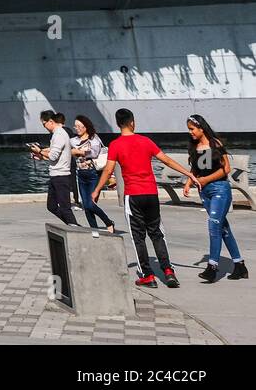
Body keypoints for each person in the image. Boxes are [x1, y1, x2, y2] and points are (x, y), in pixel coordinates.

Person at [92, 108, 195, 288]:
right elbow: (167, 160)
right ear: (132, 122)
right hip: (151, 194)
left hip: (133, 195)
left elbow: (108, 170)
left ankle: (147, 275)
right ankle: (168, 271)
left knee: (138, 236)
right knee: (156, 233)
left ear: (118, 124)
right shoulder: (145, 141)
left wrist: (97, 190)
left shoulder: (115, 145)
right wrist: (189, 174)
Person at [182, 113, 246, 283]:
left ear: (201, 128)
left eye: (192, 129)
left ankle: (212, 267)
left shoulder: (215, 144)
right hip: (205, 192)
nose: (190, 132)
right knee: (223, 229)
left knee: (213, 225)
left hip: (220, 189)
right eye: (189, 129)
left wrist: (205, 180)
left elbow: (226, 169)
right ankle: (240, 265)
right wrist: (189, 182)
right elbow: (196, 169)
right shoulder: (195, 148)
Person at [30, 109, 77, 225]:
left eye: (44, 124)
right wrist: (40, 156)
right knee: (51, 206)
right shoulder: (56, 134)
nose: (44, 127)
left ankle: (76, 228)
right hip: (55, 175)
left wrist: (40, 151)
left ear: (50, 121)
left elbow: (53, 155)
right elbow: (55, 156)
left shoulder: (59, 134)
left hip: (61, 176)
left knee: (65, 208)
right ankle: (72, 226)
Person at [71, 115, 116, 233]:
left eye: (80, 126)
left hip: (93, 174)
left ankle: (108, 222)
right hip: (80, 174)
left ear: (86, 126)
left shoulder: (94, 139)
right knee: (86, 206)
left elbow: (94, 153)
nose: (77, 128)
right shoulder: (73, 140)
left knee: (90, 204)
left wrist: (78, 152)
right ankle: (94, 230)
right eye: (75, 126)